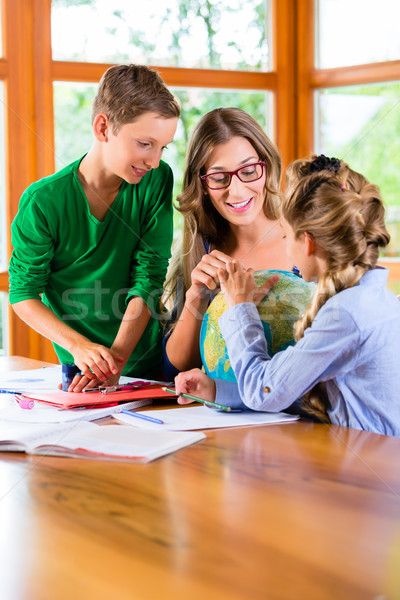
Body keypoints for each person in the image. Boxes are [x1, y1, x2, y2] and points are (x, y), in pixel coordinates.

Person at [174, 154, 400, 437]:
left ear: (307, 242)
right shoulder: (375, 300)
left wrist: (240, 307)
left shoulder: (346, 314)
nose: (285, 247)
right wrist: (218, 390)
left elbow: (266, 392)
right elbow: (294, 387)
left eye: (285, 234)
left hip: (369, 468)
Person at [9, 64, 180, 391]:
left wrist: (116, 360)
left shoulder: (156, 180)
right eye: (145, 144)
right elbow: (23, 294)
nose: (155, 161)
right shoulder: (44, 201)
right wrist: (79, 348)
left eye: (162, 148)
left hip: (152, 364)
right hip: (80, 372)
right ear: (103, 127)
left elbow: (150, 276)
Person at [162, 107, 294, 381]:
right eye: (219, 178)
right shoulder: (199, 251)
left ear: (266, 165)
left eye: (248, 171)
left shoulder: (306, 238)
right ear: (203, 185)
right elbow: (174, 368)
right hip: (221, 417)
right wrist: (196, 298)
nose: (236, 190)